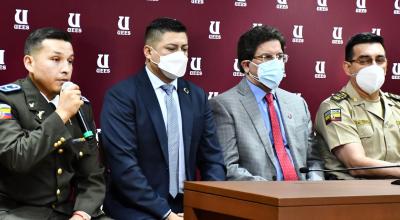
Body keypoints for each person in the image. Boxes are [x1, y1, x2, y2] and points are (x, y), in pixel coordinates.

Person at [100, 17, 226, 220]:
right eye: (171, 48)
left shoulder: (196, 96)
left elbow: (212, 159)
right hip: (137, 208)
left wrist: (211, 205)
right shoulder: (122, 96)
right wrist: (166, 214)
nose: (181, 55)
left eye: (184, 49)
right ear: (149, 52)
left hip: (189, 205)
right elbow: (124, 166)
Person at [0, 28, 107, 219]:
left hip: (66, 213)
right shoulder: (6, 100)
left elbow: (92, 176)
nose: (66, 69)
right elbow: (17, 157)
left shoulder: (81, 106)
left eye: (70, 61)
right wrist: (62, 113)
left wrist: (82, 213)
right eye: (55, 59)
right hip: (18, 212)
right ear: (29, 63)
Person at [209, 25, 324, 181]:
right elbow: (230, 168)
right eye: (267, 57)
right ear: (246, 65)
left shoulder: (298, 103)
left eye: (280, 56)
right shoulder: (224, 105)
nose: (277, 63)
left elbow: (313, 159)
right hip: (260, 198)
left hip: (302, 196)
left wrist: (315, 183)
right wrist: (271, 192)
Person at [315, 32, 400, 180]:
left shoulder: (397, 105)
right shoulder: (335, 108)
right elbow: (356, 164)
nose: (374, 67)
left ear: (386, 66)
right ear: (348, 68)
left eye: (379, 60)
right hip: (357, 196)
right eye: (364, 61)